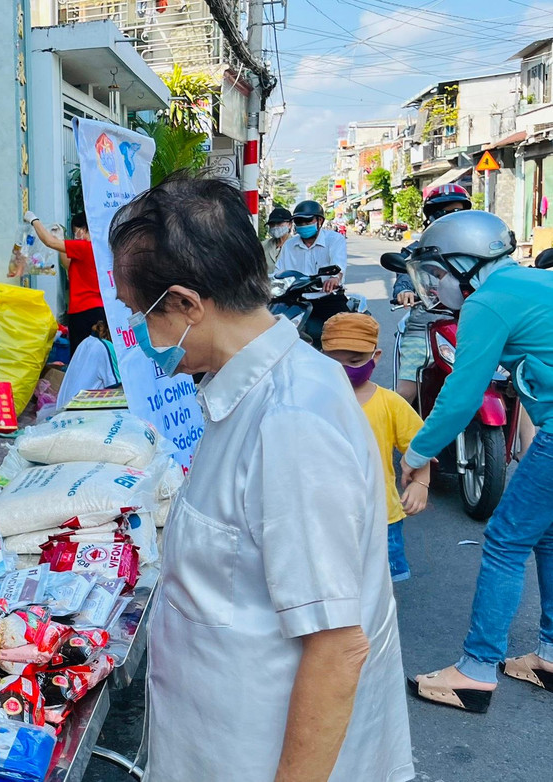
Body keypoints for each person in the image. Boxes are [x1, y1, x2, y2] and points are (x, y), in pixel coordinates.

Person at [115, 176, 411, 781]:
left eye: (139, 316)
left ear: (188, 304)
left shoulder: (290, 423)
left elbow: (336, 649)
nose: (139, 338)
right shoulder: (251, 391)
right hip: (221, 743)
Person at [398, 211, 553, 714]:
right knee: (546, 536)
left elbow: (462, 395)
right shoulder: (532, 282)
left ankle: (475, 672)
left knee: (506, 541)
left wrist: (416, 454)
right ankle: (550, 654)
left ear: (466, 262)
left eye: (438, 273)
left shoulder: (486, 302)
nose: (437, 286)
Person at [321, 314, 431, 582]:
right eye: (333, 362)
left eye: (355, 360)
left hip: (382, 518)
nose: (345, 369)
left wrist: (421, 483)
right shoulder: (311, 400)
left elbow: (419, 447)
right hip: (326, 518)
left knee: (382, 584)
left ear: (376, 356)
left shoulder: (390, 403)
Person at [392, 184, 472, 404]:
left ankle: (533, 438)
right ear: (432, 216)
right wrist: (405, 291)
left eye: (458, 212)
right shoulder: (417, 250)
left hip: (475, 324)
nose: (452, 218)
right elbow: (405, 276)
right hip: (426, 326)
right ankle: (393, 437)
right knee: (404, 392)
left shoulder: (476, 246)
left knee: (521, 382)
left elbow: (499, 270)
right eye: (444, 213)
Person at [24, 209, 104, 354]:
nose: (75, 236)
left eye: (76, 231)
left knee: (80, 357)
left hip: (82, 311)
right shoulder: (101, 249)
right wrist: (61, 239)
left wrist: (34, 220)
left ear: (83, 229)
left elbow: (49, 242)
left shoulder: (85, 247)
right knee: (97, 355)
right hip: (98, 310)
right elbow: (68, 264)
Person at [276, 199, 349, 343]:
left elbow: (339, 265)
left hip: (327, 298)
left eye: (307, 221)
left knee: (345, 334)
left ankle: (347, 364)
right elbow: (279, 271)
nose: (303, 225)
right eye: (299, 222)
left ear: (320, 221)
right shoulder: (289, 245)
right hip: (296, 300)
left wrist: (334, 278)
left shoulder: (334, 240)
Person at [55, 321, 119, 410]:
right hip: (80, 412)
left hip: (65, 410)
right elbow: (118, 387)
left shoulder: (87, 341)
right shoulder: (105, 346)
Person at [261, 206, 292, 273]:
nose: (275, 227)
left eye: (279, 223)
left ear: (290, 224)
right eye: (272, 224)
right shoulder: (263, 245)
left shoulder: (297, 245)